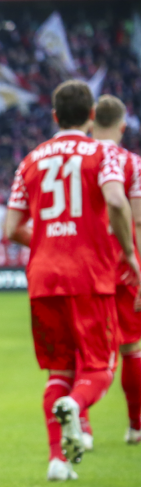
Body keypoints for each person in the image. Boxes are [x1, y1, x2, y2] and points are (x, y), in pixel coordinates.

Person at [4, 82, 140, 481]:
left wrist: (50, 241)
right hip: (89, 274)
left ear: (54, 116)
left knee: (58, 373)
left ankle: (57, 461)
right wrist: (129, 253)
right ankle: (77, 406)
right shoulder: (103, 154)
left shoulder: (31, 159)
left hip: (44, 277)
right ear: (91, 117)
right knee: (99, 369)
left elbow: (12, 228)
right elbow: (115, 200)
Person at [90, 95, 141, 445]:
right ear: (122, 126)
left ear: (92, 121)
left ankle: (82, 427)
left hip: (88, 264)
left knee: (83, 349)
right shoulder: (132, 163)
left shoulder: (81, 157)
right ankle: (136, 425)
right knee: (131, 347)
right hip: (124, 265)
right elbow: (136, 221)